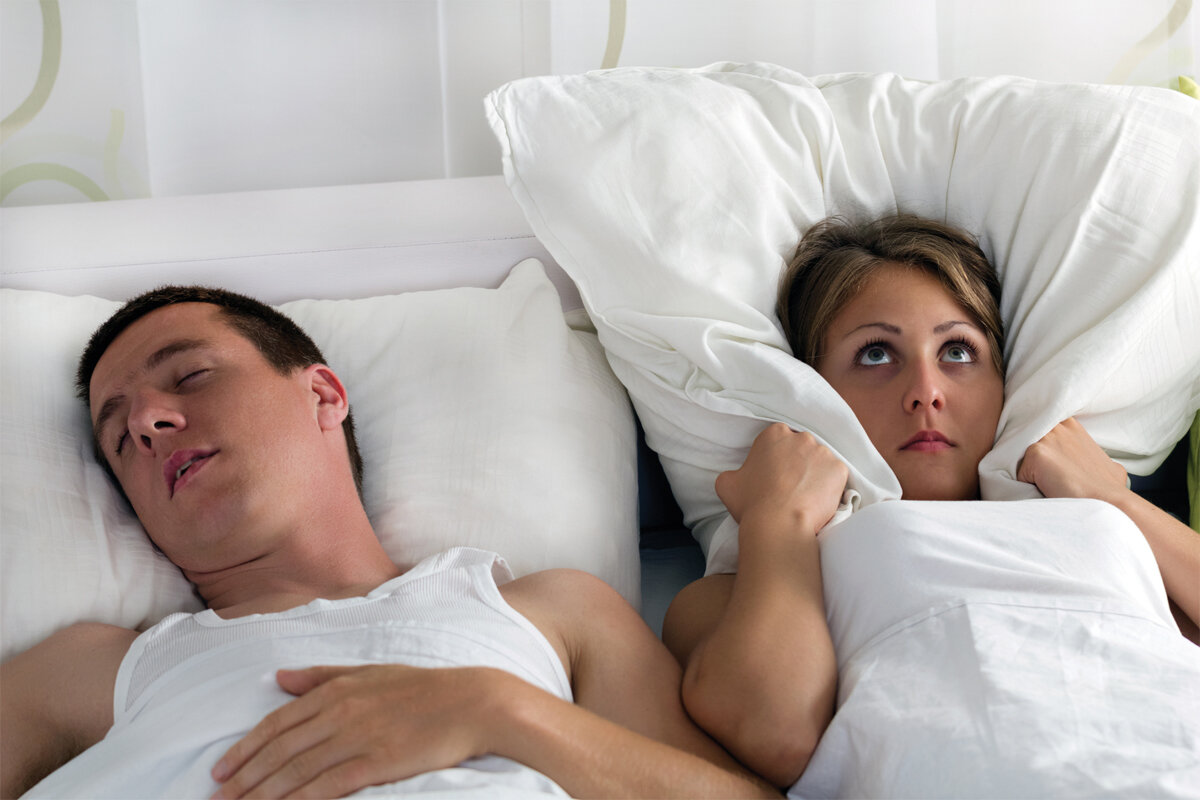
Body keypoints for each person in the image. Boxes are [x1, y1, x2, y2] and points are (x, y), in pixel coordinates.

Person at [0, 286, 778, 800]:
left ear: (322, 394)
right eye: (120, 437)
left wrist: (501, 711)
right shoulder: (89, 671)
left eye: (191, 377)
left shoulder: (550, 611)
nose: (146, 422)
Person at [661, 214, 1200, 791]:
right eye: (875, 354)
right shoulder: (764, 571)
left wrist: (1110, 498)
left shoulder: (1092, 524)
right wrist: (780, 519)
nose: (926, 391)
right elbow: (776, 728)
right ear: (817, 392)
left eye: (957, 351)